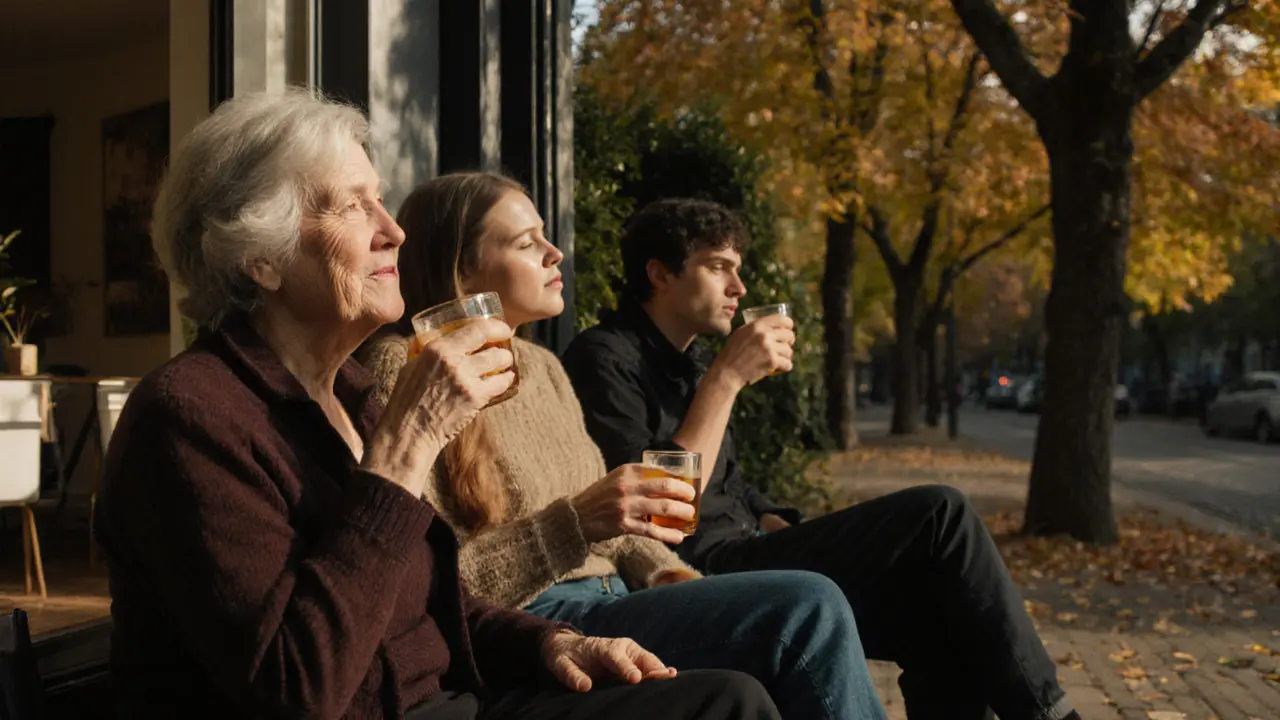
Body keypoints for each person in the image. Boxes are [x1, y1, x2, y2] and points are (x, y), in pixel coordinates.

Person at [93, 91, 780, 720]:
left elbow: (435, 602)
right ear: (260, 258)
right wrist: (405, 447)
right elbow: (296, 687)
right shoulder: (189, 418)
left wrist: (551, 644)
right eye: (351, 205)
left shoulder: (348, 397)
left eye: (381, 200)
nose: (392, 231)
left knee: (728, 699)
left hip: (460, 700)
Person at [357, 172, 886, 720]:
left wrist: (671, 576)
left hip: (618, 599)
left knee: (807, 609)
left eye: (545, 234)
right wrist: (575, 525)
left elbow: (613, 525)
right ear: (462, 269)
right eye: (525, 242)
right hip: (536, 625)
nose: (554, 251)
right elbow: (433, 587)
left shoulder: (544, 369)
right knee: (809, 606)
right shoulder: (406, 369)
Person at [562, 198, 1081, 720]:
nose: (738, 289)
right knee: (940, 514)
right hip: (691, 571)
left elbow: (731, 485)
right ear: (659, 273)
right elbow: (656, 510)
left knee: (939, 613)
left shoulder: (692, 363)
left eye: (738, 270)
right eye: (719, 267)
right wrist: (728, 379)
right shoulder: (603, 358)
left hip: (749, 548)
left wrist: (778, 518)